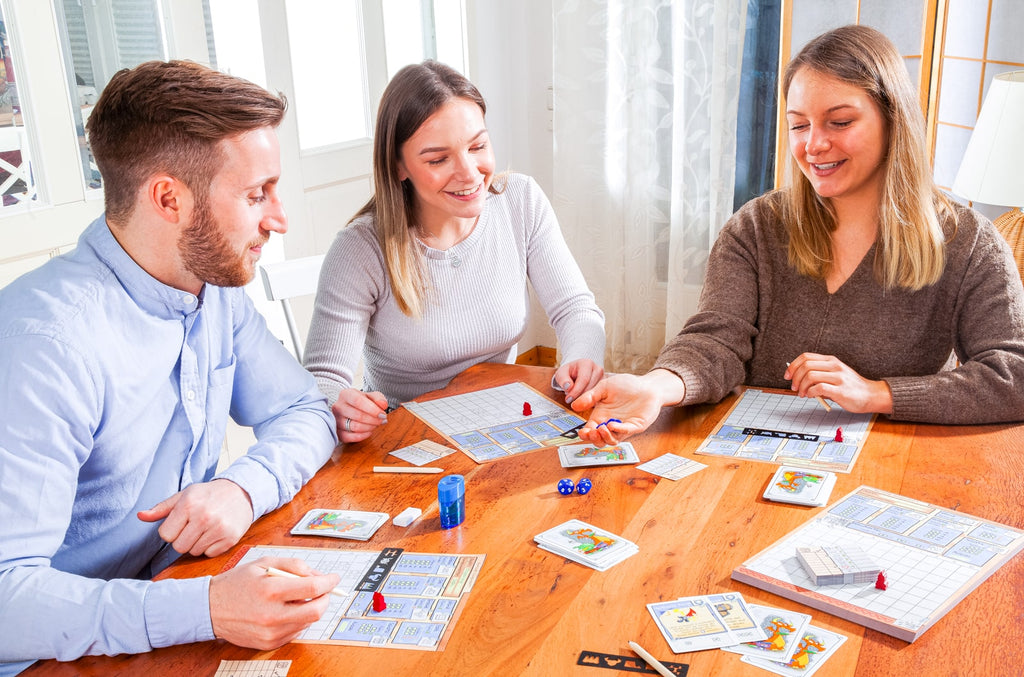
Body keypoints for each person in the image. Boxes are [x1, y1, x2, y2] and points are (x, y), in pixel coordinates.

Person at [0, 61, 341, 675]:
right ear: (168, 198)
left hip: (168, 603)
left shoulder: (213, 286)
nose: (279, 217)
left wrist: (242, 488)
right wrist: (205, 607)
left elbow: (304, 409)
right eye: (255, 193)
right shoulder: (46, 344)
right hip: (55, 653)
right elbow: (6, 601)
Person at [573, 25, 1024, 445]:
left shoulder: (969, 243)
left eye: (840, 122)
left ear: (893, 120)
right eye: (799, 124)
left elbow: (1014, 375)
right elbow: (715, 342)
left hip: (893, 467)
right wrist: (655, 386)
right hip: (751, 456)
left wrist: (877, 393)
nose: (813, 145)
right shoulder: (755, 227)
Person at [304, 60, 606, 443]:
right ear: (399, 166)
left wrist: (582, 356)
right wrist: (340, 408)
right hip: (406, 438)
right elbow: (322, 383)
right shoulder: (360, 249)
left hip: (503, 423)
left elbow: (576, 309)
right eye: (438, 159)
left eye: (478, 146)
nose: (469, 173)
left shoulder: (521, 201)